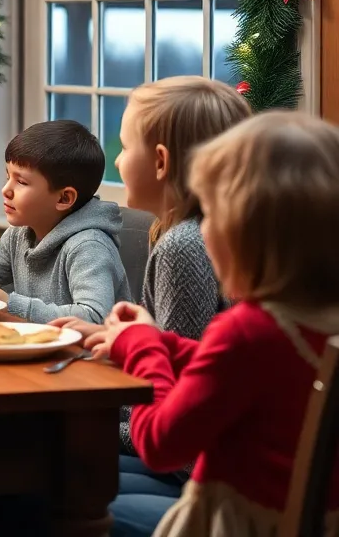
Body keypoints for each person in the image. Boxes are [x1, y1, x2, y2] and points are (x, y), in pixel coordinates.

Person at [92, 111, 339, 536]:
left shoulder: (247, 330)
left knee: (61, 496)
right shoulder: (307, 321)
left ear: (250, 235)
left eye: (211, 217)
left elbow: (160, 445)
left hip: (235, 523)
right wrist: (159, 341)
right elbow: (246, 370)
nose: (201, 234)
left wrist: (144, 349)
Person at [48, 77, 250, 537]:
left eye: (122, 147)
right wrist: (116, 342)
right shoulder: (184, 233)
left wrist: (90, 422)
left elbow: (178, 409)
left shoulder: (183, 245)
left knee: (39, 477)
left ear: (160, 162)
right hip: (185, 455)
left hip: (188, 471)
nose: (117, 161)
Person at [0, 119, 131, 323]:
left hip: (91, 355)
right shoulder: (20, 233)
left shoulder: (89, 246)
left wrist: (10, 304)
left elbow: (94, 318)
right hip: (42, 349)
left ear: (64, 198)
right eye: (7, 177)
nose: (6, 190)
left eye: (21, 182)